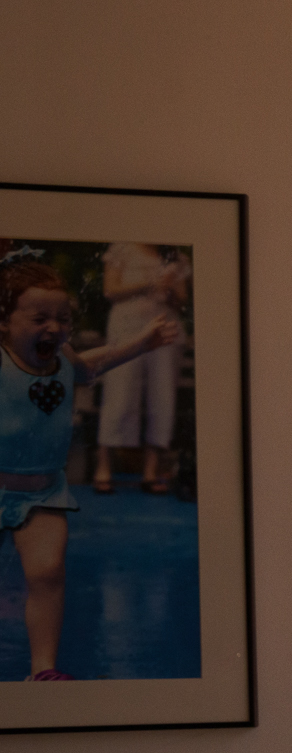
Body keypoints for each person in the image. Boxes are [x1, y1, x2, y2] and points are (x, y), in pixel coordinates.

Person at [0, 260, 183, 680]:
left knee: (48, 574)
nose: (54, 327)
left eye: (62, 319)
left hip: (42, 493)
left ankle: (43, 668)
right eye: (39, 318)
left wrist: (143, 342)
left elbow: (95, 362)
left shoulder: (64, 360)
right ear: (5, 323)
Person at [91, 241, 188, 495]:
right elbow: (110, 289)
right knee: (119, 393)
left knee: (162, 396)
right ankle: (104, 467)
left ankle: (150, 470)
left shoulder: (175, 255)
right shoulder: (123, 248)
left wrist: (169, 289)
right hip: (127, 324)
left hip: (164, 325)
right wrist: (148, 283)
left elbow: (182, 299)